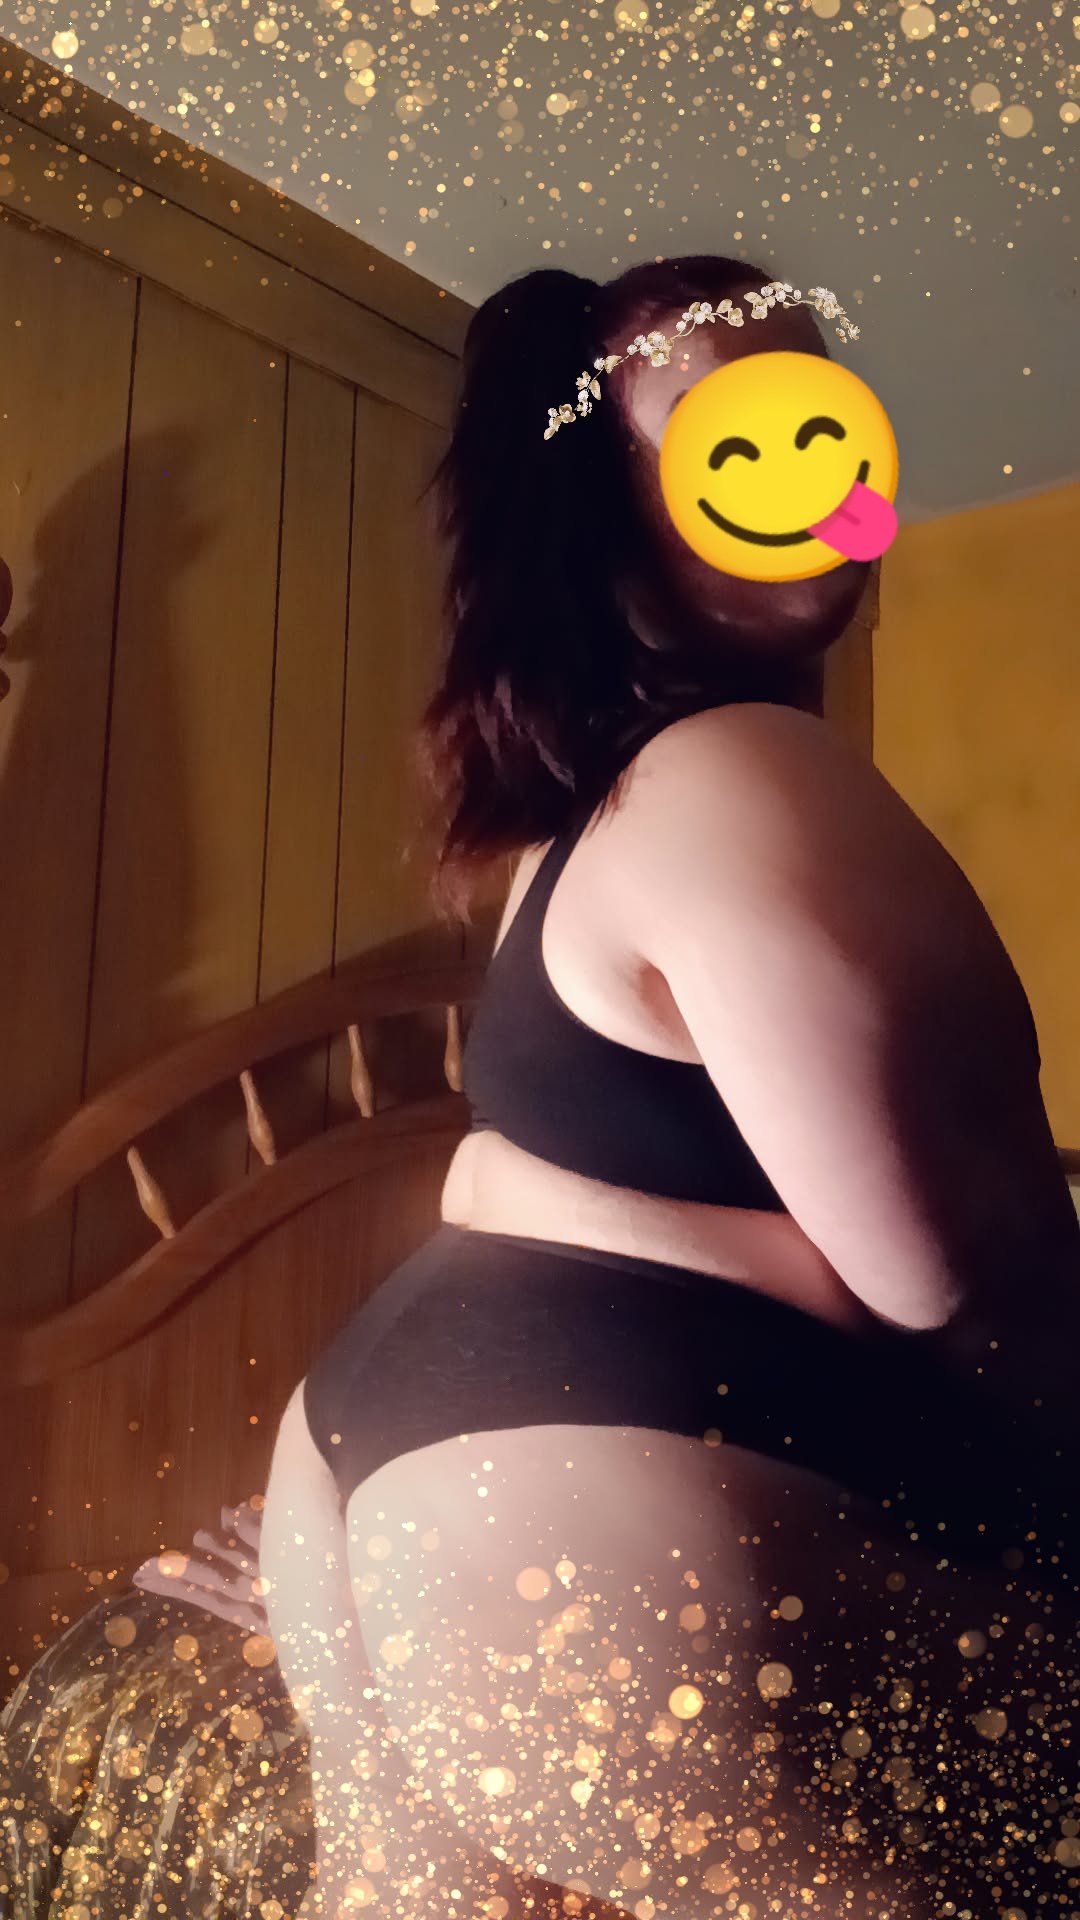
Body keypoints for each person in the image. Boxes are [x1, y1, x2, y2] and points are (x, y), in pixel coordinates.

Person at [257, 256, 1080, 1920]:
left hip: (377, 1485)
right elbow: (972, 1297)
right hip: (576, 1500)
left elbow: (536, 1187)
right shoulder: (750, 775)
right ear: (612, 505)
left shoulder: (571, 836)